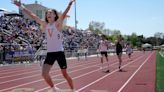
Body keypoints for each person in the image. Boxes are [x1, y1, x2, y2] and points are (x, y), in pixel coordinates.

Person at [13, 0, 76, 92]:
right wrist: (21, 6)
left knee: (64, 74)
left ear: (55, 15)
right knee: (44, 74)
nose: (48, 14)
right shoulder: (45, 25)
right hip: (50, 53)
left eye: (51, 13)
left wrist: (69, 4)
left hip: (59, 52)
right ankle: (54, 88)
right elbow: (33, 16)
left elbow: (64, 14)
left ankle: (73, 90)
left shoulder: (57, 24)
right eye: (47, 13)